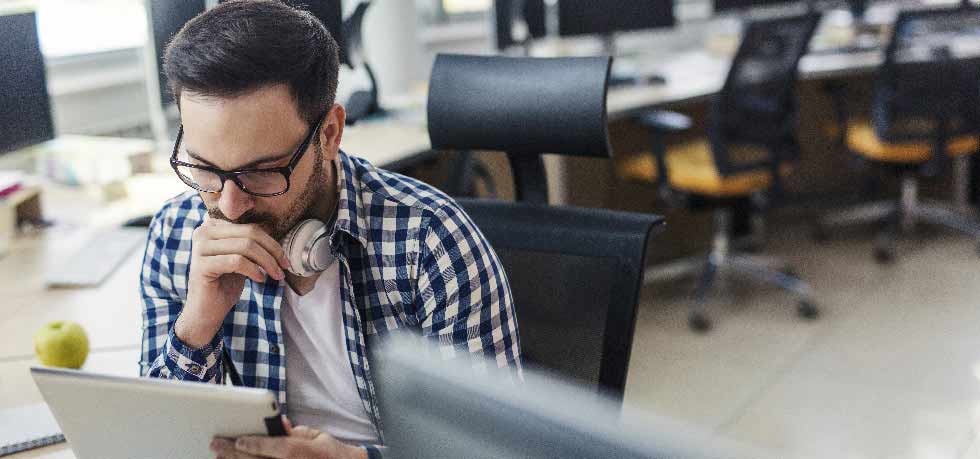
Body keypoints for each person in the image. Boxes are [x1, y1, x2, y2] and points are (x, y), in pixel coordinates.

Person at [138, 2, 521, 458]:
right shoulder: (176, 233)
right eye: (204, 169)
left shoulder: (431, 242)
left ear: (329, 134)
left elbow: (489, 450)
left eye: (261, 172)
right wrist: (197, 324)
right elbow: (155, 445)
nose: (230, 205)